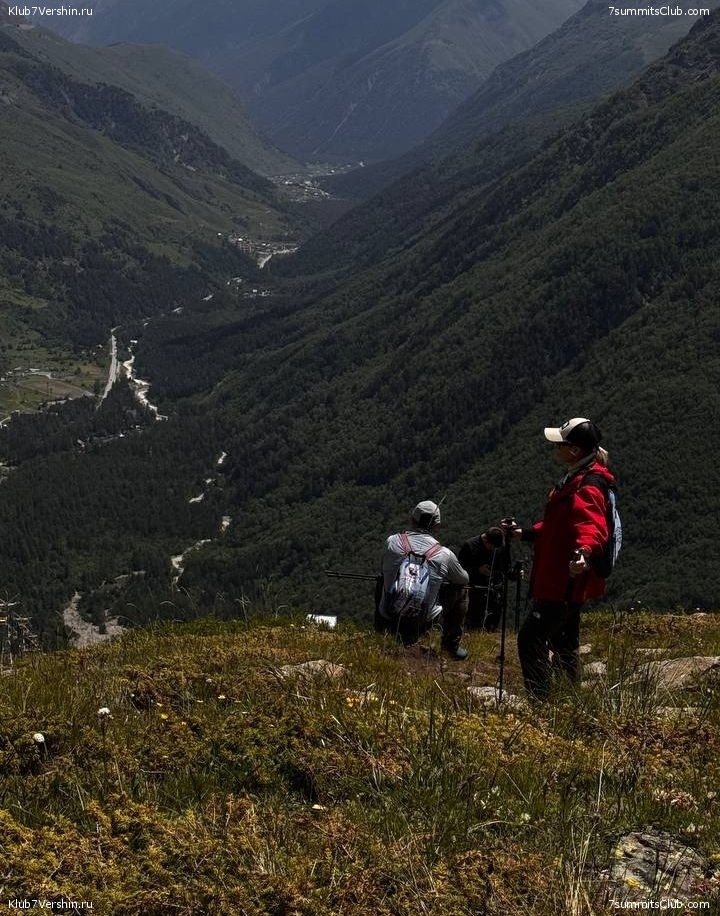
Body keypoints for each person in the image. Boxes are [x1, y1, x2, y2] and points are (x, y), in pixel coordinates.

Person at [510, 418, 616, 699]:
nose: (555, 448)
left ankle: (541, 702)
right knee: (564, 643)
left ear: (574, 450)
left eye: (560, 444)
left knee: (530, 639)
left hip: (563, 581)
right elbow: (560, 524)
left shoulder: (588, 485)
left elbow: (592, 526)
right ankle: (569, 701)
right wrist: (526, 533)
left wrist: (583, 552)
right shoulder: (578, 477)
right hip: (567, 581)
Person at [376, 500, 470, 659]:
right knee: (462, 590)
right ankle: (451, 645)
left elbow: (383, 565)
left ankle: (380, 630)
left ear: (412, 519)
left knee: (382, 578)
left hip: (389, 613)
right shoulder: (444, 554)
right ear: (437, 526)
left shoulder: (392, 541)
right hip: (423, 618)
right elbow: (463, 579)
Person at [457, 528, 506, 630]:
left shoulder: (496, 546)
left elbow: (502, 567)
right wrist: (477, 570)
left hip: (492, 592)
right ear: (486, 540)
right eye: (491, 546)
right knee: (473, 624)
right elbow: (460, 570)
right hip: (473, 592)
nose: (493, 549)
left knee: (490, 625)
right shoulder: (469, 546)